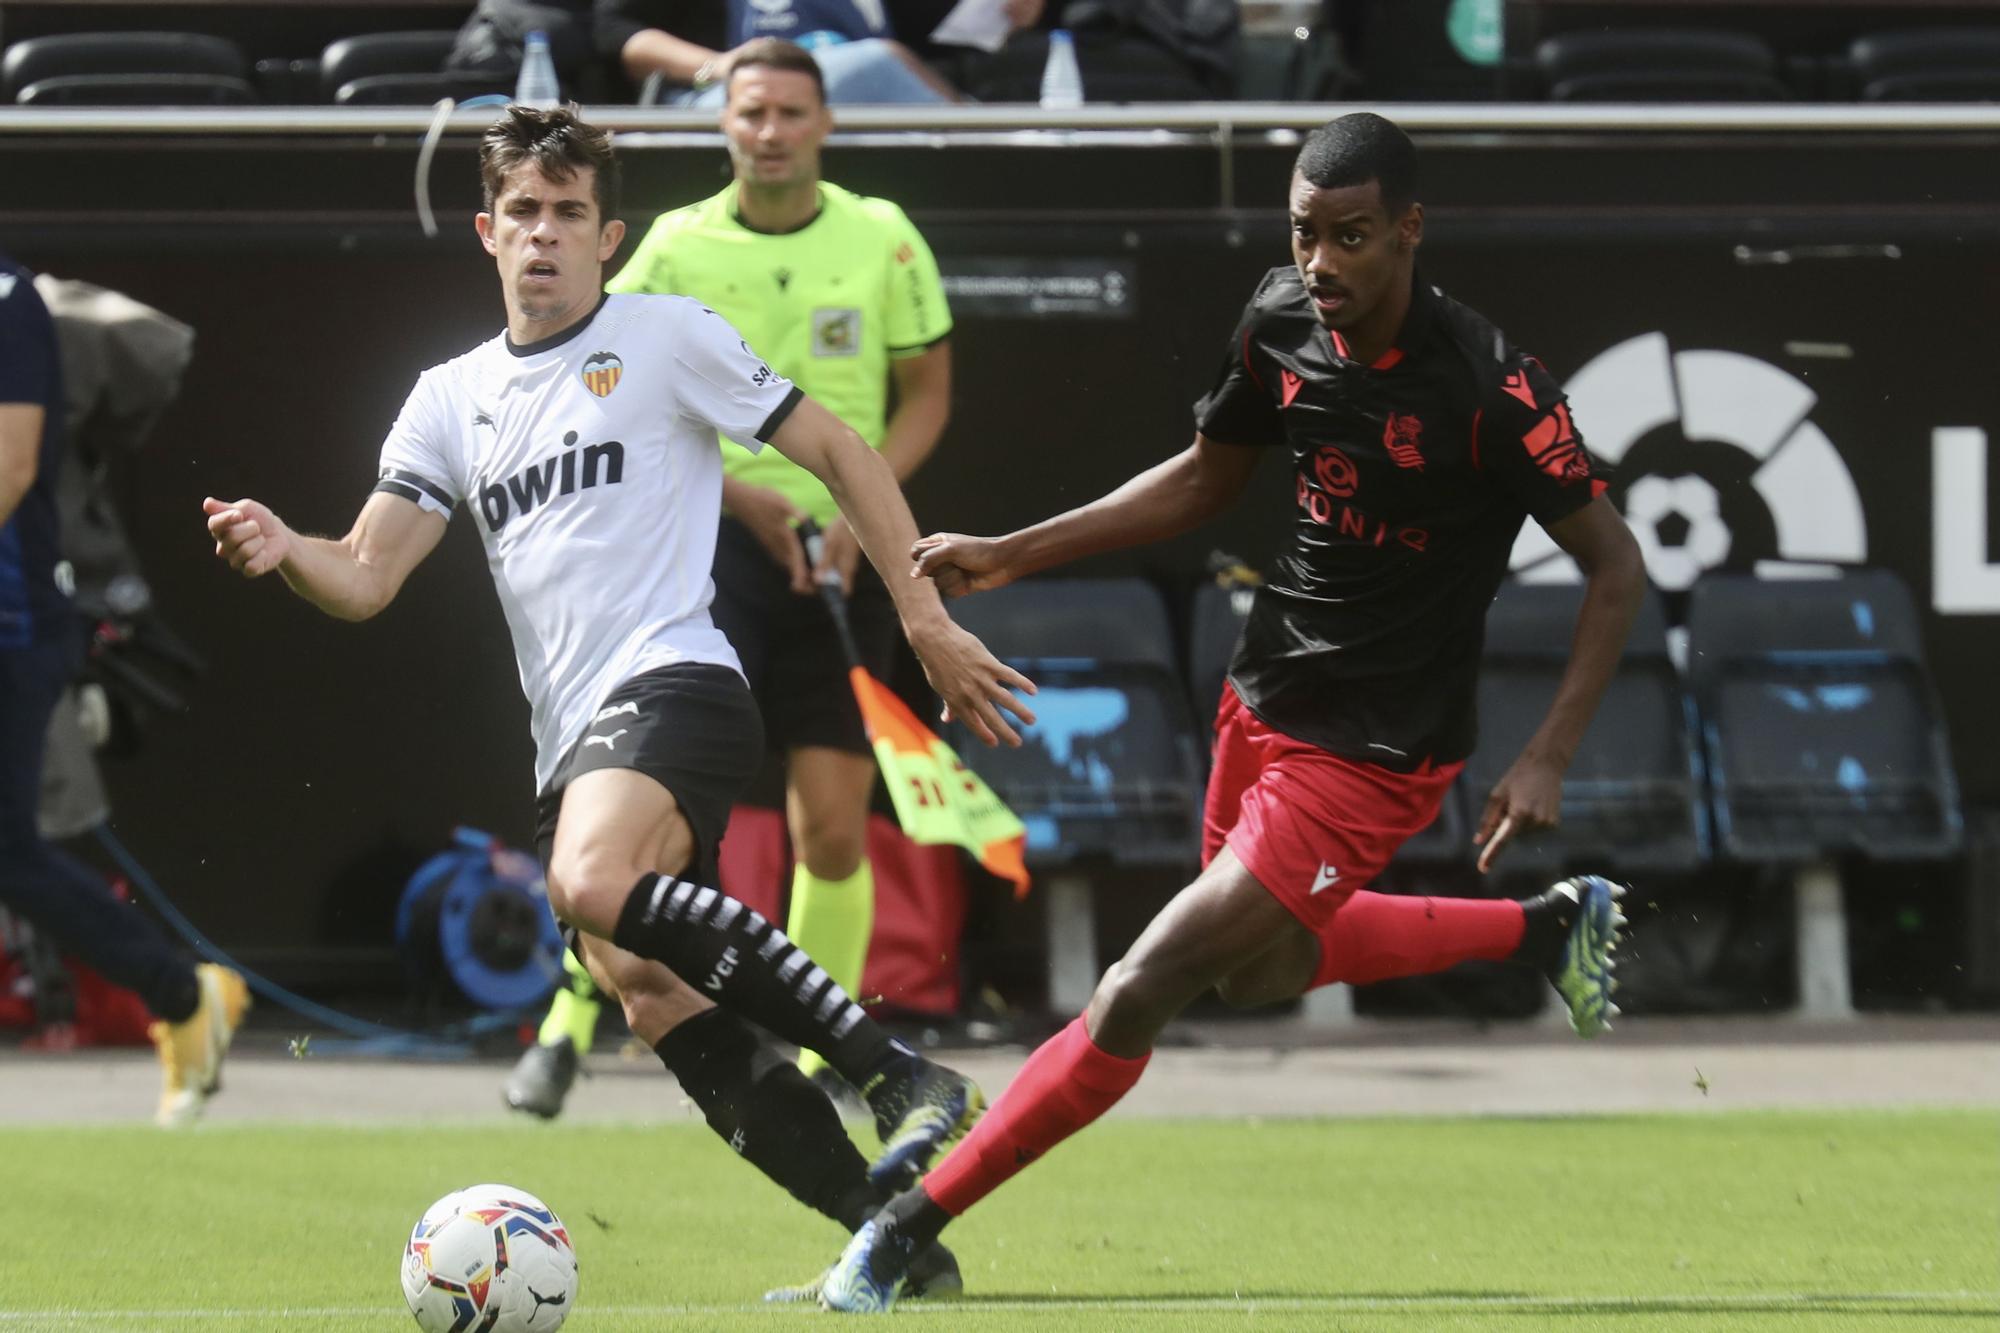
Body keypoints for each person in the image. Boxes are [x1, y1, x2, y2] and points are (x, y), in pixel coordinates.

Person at [812, 111, 1648, 1312]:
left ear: (1408, 230)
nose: (1324, 262)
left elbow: (1614, 568)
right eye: (1305, 233)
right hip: (1261, 699)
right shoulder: (1280, 320)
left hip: (1373, 752)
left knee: (1135, 989)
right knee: (1259, 974)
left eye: (1352, 236)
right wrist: (1012, 551)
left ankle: (900, 1229)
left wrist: (1547, 755)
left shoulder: (1492, 389)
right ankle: (1543, 930)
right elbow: (1207, 475)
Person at [201, 106, 1034, 1293]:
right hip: (572, 740)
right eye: (524, 214)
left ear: (609, 235)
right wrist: (288, 547)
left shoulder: (666, 336)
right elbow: (367, 575)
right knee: (643, 989)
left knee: (588, 884)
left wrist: (922, 616)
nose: (544, 235)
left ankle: (897, 1071)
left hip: (678, 679)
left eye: (569, 214)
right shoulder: (447, 398)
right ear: (487, 232)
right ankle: (891, 1241)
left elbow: (844, 452)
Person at [504, 38, 954, 1125]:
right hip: (705, 563)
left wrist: (856, 520)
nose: (769, 131)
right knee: (628, 848)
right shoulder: (672, 246)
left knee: (834, 831)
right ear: (723, 123)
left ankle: (822, 1056)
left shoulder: (883, 234)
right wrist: (744, 501)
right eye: (750, 112)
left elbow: (925, 397)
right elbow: (602, 385)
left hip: (836, 561)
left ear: (823, 125)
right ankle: (567, 1025)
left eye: (790, 113)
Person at [1, 250, 249, 1128]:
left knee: (12, 853)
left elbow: (12, 463)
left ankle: (184, 995)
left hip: (13, 625)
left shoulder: (9, 301)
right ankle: (185, 995)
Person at [593, 0, 970, 106]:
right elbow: (620, 36)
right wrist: (719, 65)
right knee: (879, 63)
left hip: (849, 116)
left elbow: (936, 35)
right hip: (716, 103)